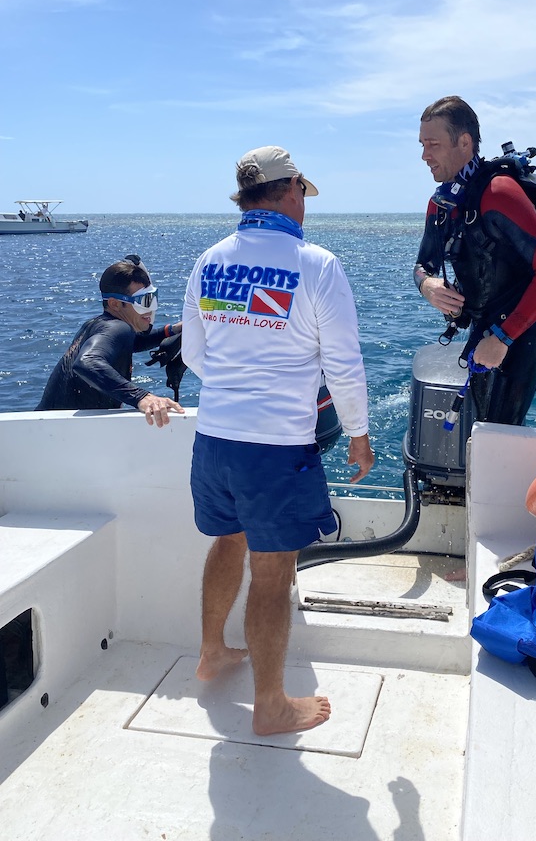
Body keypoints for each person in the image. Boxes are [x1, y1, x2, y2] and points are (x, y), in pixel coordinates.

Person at [182, 145, 374, 736]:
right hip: (275, 448)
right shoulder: (317, 265)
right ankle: (271, 704)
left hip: (214, 438)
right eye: (303, 194)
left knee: (227, 543)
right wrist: (360, 435)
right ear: (290, 190)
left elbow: (194, 354)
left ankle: (212, 652)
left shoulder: (209, 260)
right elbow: (343, 364)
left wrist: (237, 392)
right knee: (272, 568)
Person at [414, 95, 536, 426]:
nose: (425, 155)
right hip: (484, 326)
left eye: (433, 144)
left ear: (464, 142)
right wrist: (428, 286)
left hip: (519, 330)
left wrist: (503, 338)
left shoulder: (499, 193)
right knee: (483, 429)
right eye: (422, 144)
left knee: (502, 430)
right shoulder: (441, 203)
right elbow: (422, 266)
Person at [36, 259, 184, 427]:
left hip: (49, 427)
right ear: (115, 304)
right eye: (143, 301)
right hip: (64, 432)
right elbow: (87, 362)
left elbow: (130, 342)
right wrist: (141, 397)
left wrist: (173, 329)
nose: (150, 308)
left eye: (152, 298)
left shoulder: (98, 324)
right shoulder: (118, 328)